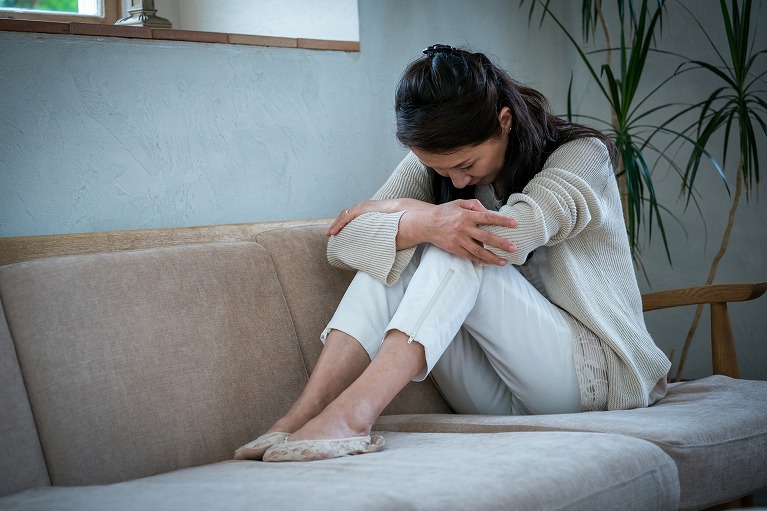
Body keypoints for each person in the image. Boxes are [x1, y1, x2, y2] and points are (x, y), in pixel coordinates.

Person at [234, 44, 671, 463]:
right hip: (488, 395)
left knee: (459, 245)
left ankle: (353, 416)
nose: (457, 182)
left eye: (467, 166)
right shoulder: (438, 159)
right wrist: (421, 223)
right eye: (443, 171)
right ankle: (305, 412)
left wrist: (406, 211)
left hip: (586, 381)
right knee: (400, 251)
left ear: (504, 121)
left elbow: (509, 237)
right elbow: (343, 243)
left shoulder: (580, 155)